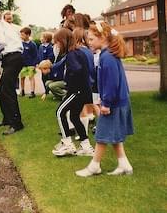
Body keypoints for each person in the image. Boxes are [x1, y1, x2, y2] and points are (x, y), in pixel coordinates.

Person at [76, 21, 134, 177]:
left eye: (92, 39)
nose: (89, 43)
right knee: (113, 135)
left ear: (102, 37)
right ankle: (124, 165)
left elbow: (111, 83)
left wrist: (106, 103)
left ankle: (94, 166)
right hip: (117, 101)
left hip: (113, 103)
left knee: (101, 136)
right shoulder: (107, 54)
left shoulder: (107, 57)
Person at [51, 28, 94, 157]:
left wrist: (68, 81)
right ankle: (86, 146)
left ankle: (67, 144)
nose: (57, 45)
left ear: (63, 41)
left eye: (57, 42)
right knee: (74, 117)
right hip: (84, 91)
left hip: (77, 91)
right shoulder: (78, 52)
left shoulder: (71, 54)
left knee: (60, 112)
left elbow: (77, 69)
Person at [0, 9, 24, 135]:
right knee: (1, 89)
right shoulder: (7, 26)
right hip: (15, 57)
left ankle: (16, 123)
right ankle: (7, 119)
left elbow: (1, 42)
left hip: (12, 58)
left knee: (7, 90)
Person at [19, 27, 38, 98]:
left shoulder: (32, 44)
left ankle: (32, 92)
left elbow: (35, 55)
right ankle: (22, 91)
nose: (21, 36)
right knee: (22, 77)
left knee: (31, 77)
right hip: (22, 65)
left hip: (31, 64)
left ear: (28, 35)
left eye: (23, 35)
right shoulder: (21, 44)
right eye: (21, 35)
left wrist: (34, 64)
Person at [38, 32, 54, 96]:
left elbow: (50, 57)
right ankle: (46, 90)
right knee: (43, 78)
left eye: (42, 37)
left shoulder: (50, 47)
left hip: (47, 66)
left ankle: (48, 90)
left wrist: (46, 63)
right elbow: (39, 55)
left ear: (46, 39)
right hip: (42, 66)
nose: (40, 38)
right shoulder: (41, 47)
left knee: (48, 78)